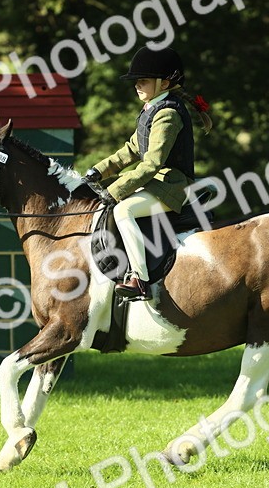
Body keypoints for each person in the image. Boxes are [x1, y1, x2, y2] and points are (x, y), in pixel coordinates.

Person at [84, 46, 212, 299]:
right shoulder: (152, 108)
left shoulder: (168, 114)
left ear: (164, 83)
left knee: (123, 209)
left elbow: (152, 163)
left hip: (172, 186)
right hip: (157, 183)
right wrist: (97, 171)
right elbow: (132, 149)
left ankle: (139, 280)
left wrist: (116, 190)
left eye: (143, 81)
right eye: (136, 81)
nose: (137, 85)